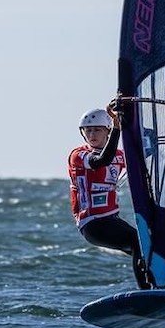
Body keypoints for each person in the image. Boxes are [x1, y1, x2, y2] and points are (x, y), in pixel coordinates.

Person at [68, 101, 151, 289]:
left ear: (106, 131)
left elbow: (147, 149)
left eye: (97, 130)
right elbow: (102, 160)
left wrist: (131, 115)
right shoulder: (79, 155)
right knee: (138, 242)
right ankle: (147, 292)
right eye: (87, 130)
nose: (91, 135)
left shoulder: (121, 155)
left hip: (111, 220)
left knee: (151, 249)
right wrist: (117, 128)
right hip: (93, 225)